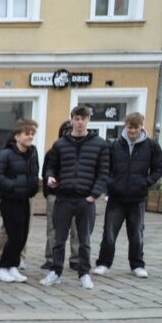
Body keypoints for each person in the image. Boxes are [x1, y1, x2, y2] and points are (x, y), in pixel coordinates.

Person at [40, 106, 110, 289]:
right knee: (58, 239)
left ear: (88, 120)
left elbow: (103, 172)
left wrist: (94, 195)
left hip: (85, 200)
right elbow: (50, 167)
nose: (80, 122)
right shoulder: (60, 144)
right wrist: (50, 178)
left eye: (83, 118)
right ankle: (55, 271)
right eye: (77, 118)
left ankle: (84, 273)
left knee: (84, 240)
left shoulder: (100, 144)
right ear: (71, 120)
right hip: (63, 198)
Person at [93, 112, 162, 278]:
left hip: (137, 198)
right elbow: (104, 167)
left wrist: (146, 182)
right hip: (116, 197)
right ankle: (103, 263)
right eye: (129, 128)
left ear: (141, 126)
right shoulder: (114, 145)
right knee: (109, 233)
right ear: (125, 126)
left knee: (137, 233)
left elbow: (158, 168)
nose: (132, 131)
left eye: (135, 128)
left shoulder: (152, 146)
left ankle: (137, 265)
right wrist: (111, 183)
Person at [0, 119, 40, 283]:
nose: (30, 137)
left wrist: (33, 187)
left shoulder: (32, 152)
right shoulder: (6, 153)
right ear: (17, 136)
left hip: (25, 199)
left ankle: (12, 266)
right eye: (27, 134)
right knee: (15, 236)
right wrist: (12, 186)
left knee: (23, 236)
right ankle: (0, 267)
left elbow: (34, 172)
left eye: (32, 134)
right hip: (9, 200)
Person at [41, 120, 79, 271]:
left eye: (70, 130)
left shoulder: (81, 150)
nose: (68, 133)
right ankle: (51, 258)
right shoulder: (53, 151)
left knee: (77, 229)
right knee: (53, 228)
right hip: (55, 195)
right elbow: (46, 172)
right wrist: (48, 193)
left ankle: (76, 259)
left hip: (76, 195)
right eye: (65, 130)